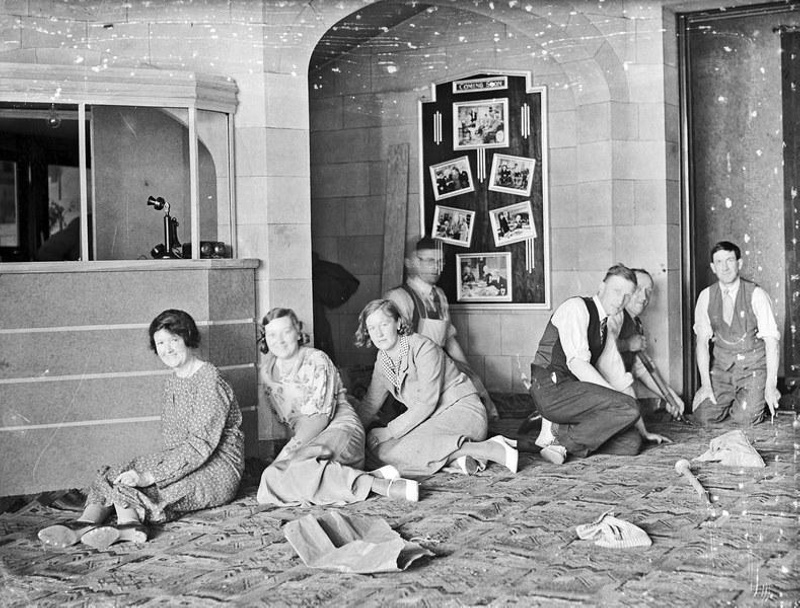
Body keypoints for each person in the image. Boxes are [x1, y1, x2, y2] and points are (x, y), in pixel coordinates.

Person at [38, 309, 245, 550]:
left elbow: (200, 445)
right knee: (118, 473)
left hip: (217, 468)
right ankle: (84, 524)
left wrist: (150, 476)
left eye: (174, 340)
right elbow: (175, 443)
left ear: (188, 339)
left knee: (156, 486)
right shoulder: (173, 380)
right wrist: (148, 469)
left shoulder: (209, 379)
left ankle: (129, 525)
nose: (167, 349)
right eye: (160, 343)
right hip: (188, 458)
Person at [255, 308, 419, 505]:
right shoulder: (267, 372)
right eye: (272, 334)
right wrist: (282, 460)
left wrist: (287, 455)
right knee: (270, 477)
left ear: (298, 332)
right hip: (306, 441)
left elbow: (318, 420)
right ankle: (368, 477)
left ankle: (381, 487)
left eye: (286, 332)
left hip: (340, 428)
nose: (279, 340)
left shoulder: (316, 360)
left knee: (297, 467)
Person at [526, 264, 671, 465]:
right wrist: (616, 402)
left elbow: (620, 380)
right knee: (627, 407)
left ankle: (559, 436)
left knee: (631, 443)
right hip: (551, 390)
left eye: (627, 295)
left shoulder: (605, 329)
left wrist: (643, 431)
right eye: (616, 291)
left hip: (578, 397)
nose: (621, 300)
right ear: (601, 288)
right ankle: (561, 442)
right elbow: (577, 364)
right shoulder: (576, 307)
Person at [355, 299, 518, 477]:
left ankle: (488, 449)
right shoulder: (383, 362)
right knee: (378, 453)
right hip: (430, 423)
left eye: (384, 324)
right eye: (372, 328)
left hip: (462, 413)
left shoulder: (422, 347)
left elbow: (426, 403)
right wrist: (352, 431)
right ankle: (460, 457)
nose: (378, 334)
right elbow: (370, 404)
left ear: (398, 323)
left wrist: (389, 431)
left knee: (391, 453)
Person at [385, 237, 499, 419]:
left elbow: (449, 339)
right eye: (430, 261)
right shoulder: (399, 297)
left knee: (476, 391)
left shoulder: (439, 295)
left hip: (440, 362)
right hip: (415, 370)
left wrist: (469, 372)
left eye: (440, 262)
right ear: (413, 262)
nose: (436, 268)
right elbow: (396, 350)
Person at [692, 241, 780, 425]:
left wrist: (771, 386)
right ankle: (736, 400)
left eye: (730, 260)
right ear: (712, 267)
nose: (725, 267)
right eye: (719, 262)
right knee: (702, 417)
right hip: (722, 372)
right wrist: (706, 385)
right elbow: (701, 343)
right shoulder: (705, 296)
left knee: (744, 419)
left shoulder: (757, 294)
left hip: (752, 370)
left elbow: (772, 342)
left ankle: (753, 401)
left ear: (739, 264)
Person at [599, 268, 685, 418]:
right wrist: (627, 344)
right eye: (638, 289)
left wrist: (671, 397)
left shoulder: (636, 323)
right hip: (601, 392)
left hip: (619, 392)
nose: (644, 297)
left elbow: (643, 368)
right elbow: (601, 348)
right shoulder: (615, 315)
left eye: (649, 291)